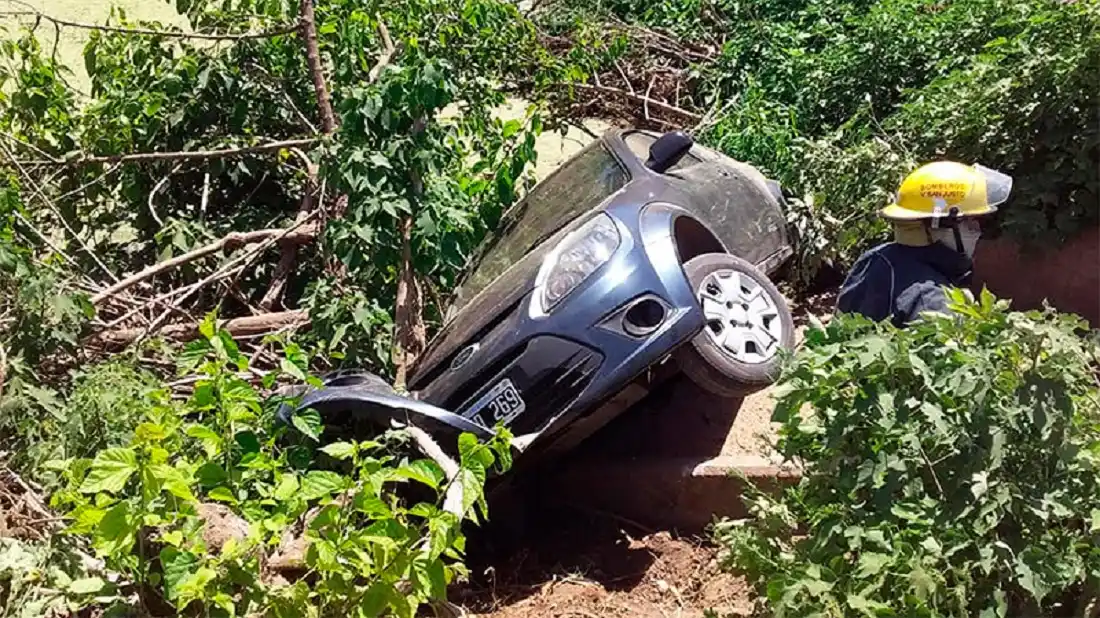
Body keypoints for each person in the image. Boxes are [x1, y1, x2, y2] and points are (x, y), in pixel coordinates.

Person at [836, 161, 1013, 327]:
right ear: (938, 225)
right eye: (972, 222)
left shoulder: (875, 258)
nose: (978, 232)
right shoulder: (931, 302)